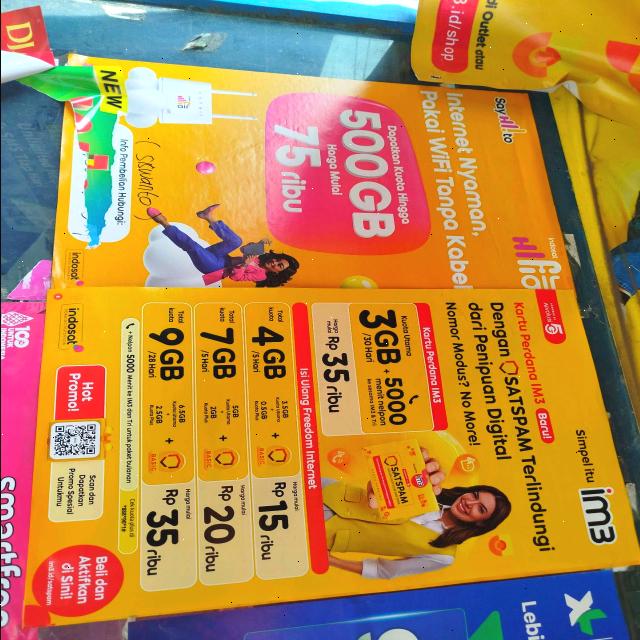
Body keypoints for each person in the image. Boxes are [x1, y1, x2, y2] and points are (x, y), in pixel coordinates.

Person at [323, 448, 511, 579]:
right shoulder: (429, 489)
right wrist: (412, 458)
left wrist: (330, 561)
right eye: (475, 495)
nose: (469, 502)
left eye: (480, 508)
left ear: (481, 523)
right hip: (328, 491)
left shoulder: (443, 556)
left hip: (326, 535)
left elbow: (384, 571)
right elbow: (380, 481)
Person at [147, 204, 299, 287]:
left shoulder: (261, 275)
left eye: (279, 266)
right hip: (222, 257)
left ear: (278, 273)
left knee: (192, 246)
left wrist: (244, 265)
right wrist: (257, 246)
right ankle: (208, 217)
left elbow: (236, 277)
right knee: (237, 241)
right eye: (278, 259)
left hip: (214, 267)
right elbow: (243, 249)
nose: (274, 262)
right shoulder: (262, 258)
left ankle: (163, 222)